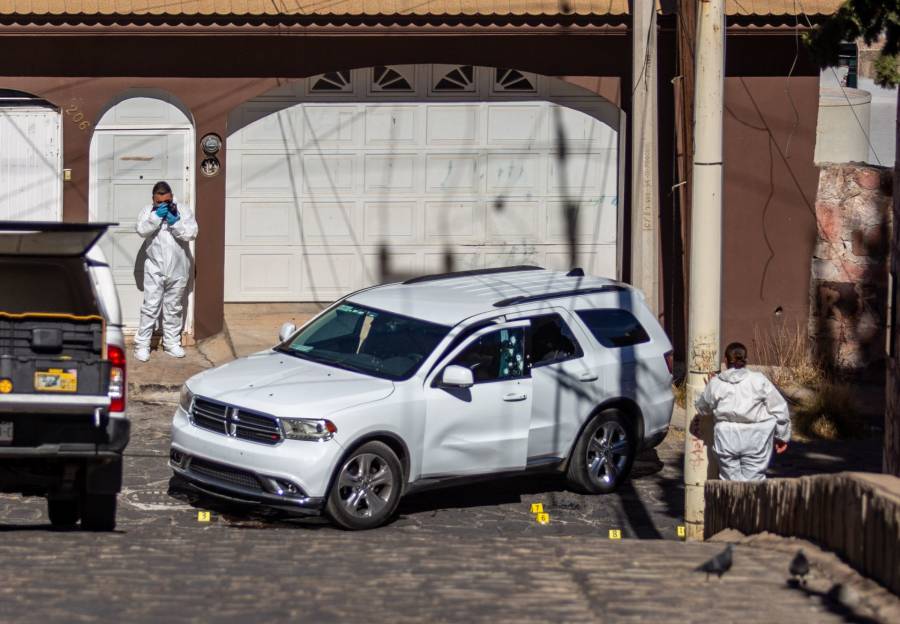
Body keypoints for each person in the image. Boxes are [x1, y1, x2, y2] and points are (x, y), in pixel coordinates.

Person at [695, 342, 790, 481]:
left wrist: (709, 387)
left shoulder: (716, 383)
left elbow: (702, 408)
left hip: (726, 438)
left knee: (730, 483)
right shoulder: (758, 380)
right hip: (756, 437)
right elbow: (779, 407)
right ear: (745, 359)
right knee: (754, 483)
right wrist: (782, 435)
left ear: (725, 361)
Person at [133, 181, 198, 362]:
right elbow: (141, 230)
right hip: (155, 267)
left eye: (166, 201)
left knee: (174, 307)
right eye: (158, 202)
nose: (163, 205)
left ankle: (171, 343)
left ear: (171, 197)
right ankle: (142, 345)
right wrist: (155, 217)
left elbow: (191, 233)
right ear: (153, 199)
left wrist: (175, 222)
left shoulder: (183, 210)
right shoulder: (147, 211)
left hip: (178, 268)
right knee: (150, 307)